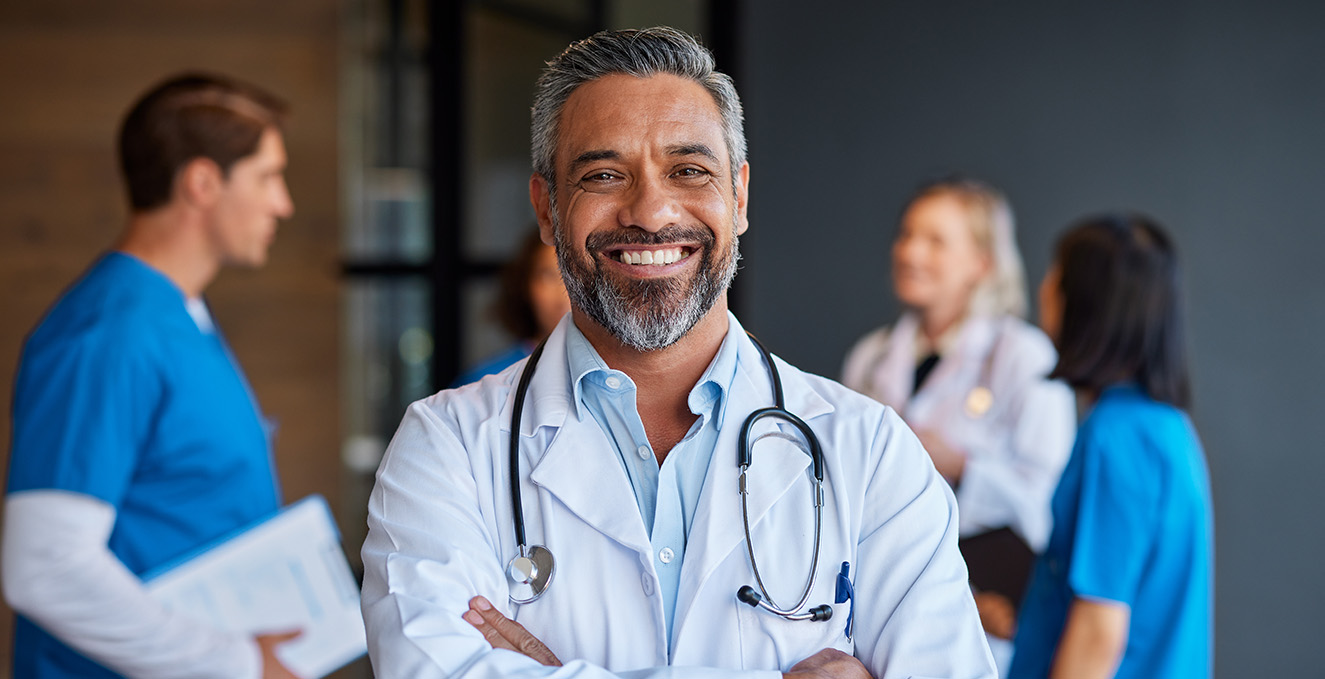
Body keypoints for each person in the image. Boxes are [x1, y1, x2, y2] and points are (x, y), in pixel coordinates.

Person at [361, 27, 995, 679]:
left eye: (688, 170)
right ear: (547, 209)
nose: (652, 211)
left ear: (739, 195)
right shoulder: (446, 447)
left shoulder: (870, 453)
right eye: (604, 174)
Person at [3, 73, 300, 678]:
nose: (283, 203)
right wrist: (236, 663)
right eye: (268, 177)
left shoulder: (179, 317)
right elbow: (45, 565)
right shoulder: (109, 334)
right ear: (202, 183)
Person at [839, 178, 1075, 664]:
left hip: (989, 616)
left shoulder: (1024, 358)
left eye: (935, 241)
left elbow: (1046, 504)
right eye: (906, 235)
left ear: (982, 263)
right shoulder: (869, 359)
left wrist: (960, 465)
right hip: (879, 599)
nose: (910, 252)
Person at [1008, 214, 1212, 679]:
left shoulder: (1117, 437)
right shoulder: (1163, 428)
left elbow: (1099, 631)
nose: (1043, 290)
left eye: (1054, 274)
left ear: (1085, 301)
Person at [451, 228, 571, 386]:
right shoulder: (483, 383)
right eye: (548, 276)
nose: (564, 293)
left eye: (574, 275)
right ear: (525, 286)